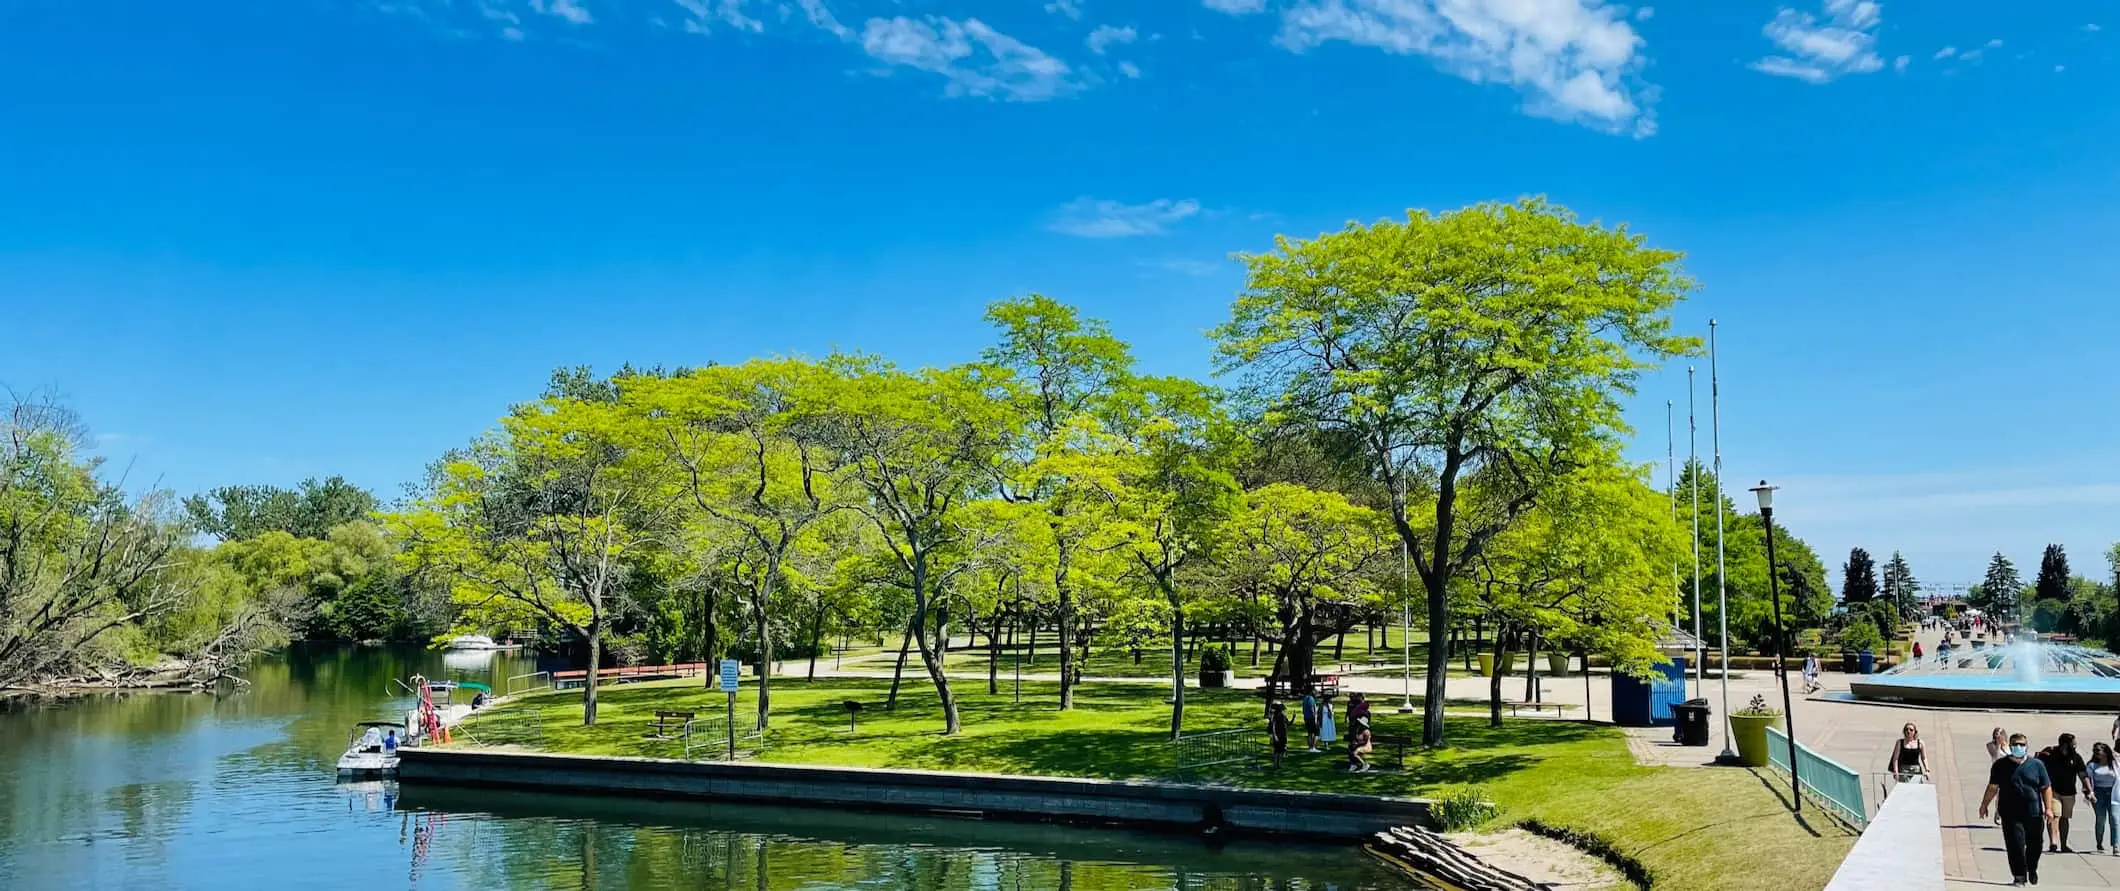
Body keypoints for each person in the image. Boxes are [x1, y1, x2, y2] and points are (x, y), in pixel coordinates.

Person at [1981, 732, 2058, 887]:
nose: (2019, 747)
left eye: (2022, 744)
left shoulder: (2037, 765)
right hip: (2010, 813)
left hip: (2033, 812)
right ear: (2010, 745)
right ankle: (2019, 876)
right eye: (2015, 744)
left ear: (2026, 746)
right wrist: (1984, 804)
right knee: (2015, 844)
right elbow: (1993, 787)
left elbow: (2046, 787)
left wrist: (2048, 808)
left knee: (2035, 845)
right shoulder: (2000, 765)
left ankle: (2032, 868)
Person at [2041, 733, 2089, 852]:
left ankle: (2063, 844)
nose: (2075, 745)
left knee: (2065, 818)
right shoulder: (2051, 754)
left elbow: (2082, 774)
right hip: (2053, 790)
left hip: (2069, 792)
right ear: (2065, 744)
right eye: (2073, 743)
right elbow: (2039, 765)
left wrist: (2088, 789)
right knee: (2054, 815)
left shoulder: (2076, 757)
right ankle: (2053, 843)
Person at [2089, 742, 2120, 854]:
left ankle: (2116, 846)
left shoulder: (2115, 764)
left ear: (2105, 752)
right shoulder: (2092, 765)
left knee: (2115, 819)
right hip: (2099, 794)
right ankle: (2099, 843)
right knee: (2100, 820)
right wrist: (2090, 793)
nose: (2096, 752)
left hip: (2113, 793)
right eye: (2095, 750)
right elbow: (2088, 780)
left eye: (2098, 750)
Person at [1267, 702, 1291, 768]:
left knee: (1277, 750)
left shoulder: (1275, 715)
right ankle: (1278, 764)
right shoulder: (1280, 716)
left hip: (1280, 735)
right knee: (1279, 750)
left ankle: (1276, 764)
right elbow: (1273, 726)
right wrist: (1275, 735)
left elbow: (1288, 723)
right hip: (1280, 735)